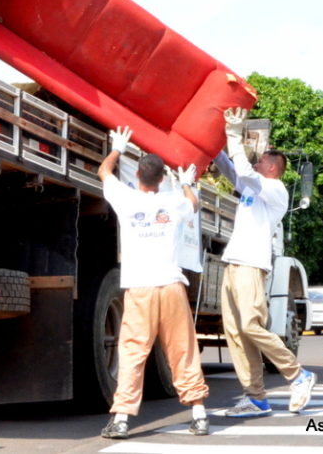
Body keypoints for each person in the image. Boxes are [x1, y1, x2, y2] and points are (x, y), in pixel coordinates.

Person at [98, 126, 211, 439]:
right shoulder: (174, 202)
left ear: (137, 175)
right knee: (182, 350)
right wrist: (187, 183)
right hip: (172, 288)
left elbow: (104, 171)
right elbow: (194, 203)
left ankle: (121, 419)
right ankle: (199, 415)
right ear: (162, 178)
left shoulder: (126, 199)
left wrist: (117, 146)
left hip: (140, 289)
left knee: (133, 353)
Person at [213, 107, 316, 417]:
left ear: (272, 167)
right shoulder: (253, 189)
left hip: (251, 265)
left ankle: (298, 375)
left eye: (260, 161)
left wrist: (234, 133)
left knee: (250, 325)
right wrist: (214, 148)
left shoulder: (275, 190)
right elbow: (234, 172)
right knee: (235, 332)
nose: (255, 164)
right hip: (234, 263)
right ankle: (256, 398)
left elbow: (243, 171)